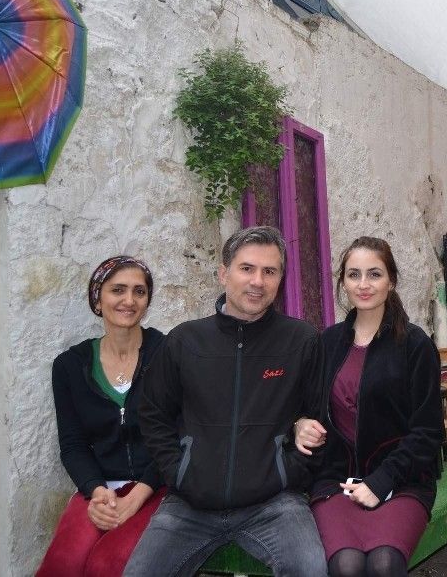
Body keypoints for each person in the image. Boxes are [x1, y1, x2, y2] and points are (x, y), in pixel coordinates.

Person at [125, 225, 326, 577]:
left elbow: (320, 416)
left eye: (269, 271)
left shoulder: (302, 341)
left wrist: (289, 468)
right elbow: (153, 413)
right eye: (247, 268)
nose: (258, 281)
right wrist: (179, 472)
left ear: (280, 279)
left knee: (310, 569)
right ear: (223, 273)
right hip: (189, 506)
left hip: (274, 504)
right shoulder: (185, 341)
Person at [295, 236, 443, 577]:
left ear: (391, 281)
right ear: (343, 282)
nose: (363, 284)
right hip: (335, 481)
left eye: (374, 274)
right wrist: (299, 424)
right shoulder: (327, 343)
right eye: (354, 275)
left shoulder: (415, 345)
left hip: (402, 481)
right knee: (346, 565)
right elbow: (305, 407)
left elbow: (428, 432)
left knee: (383, 563)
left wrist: (380, 482)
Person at [37, 256, 167, 577]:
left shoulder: (168, 354)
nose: (129, 300)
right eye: (117, 290)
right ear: (98, 299)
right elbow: (72, 444)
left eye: (139, 291)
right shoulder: (70, 365)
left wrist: (137, 496)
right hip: (100, 488)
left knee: (108, 564)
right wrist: (96, 490)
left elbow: (180, 434)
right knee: (63, 564)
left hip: (158, 486)